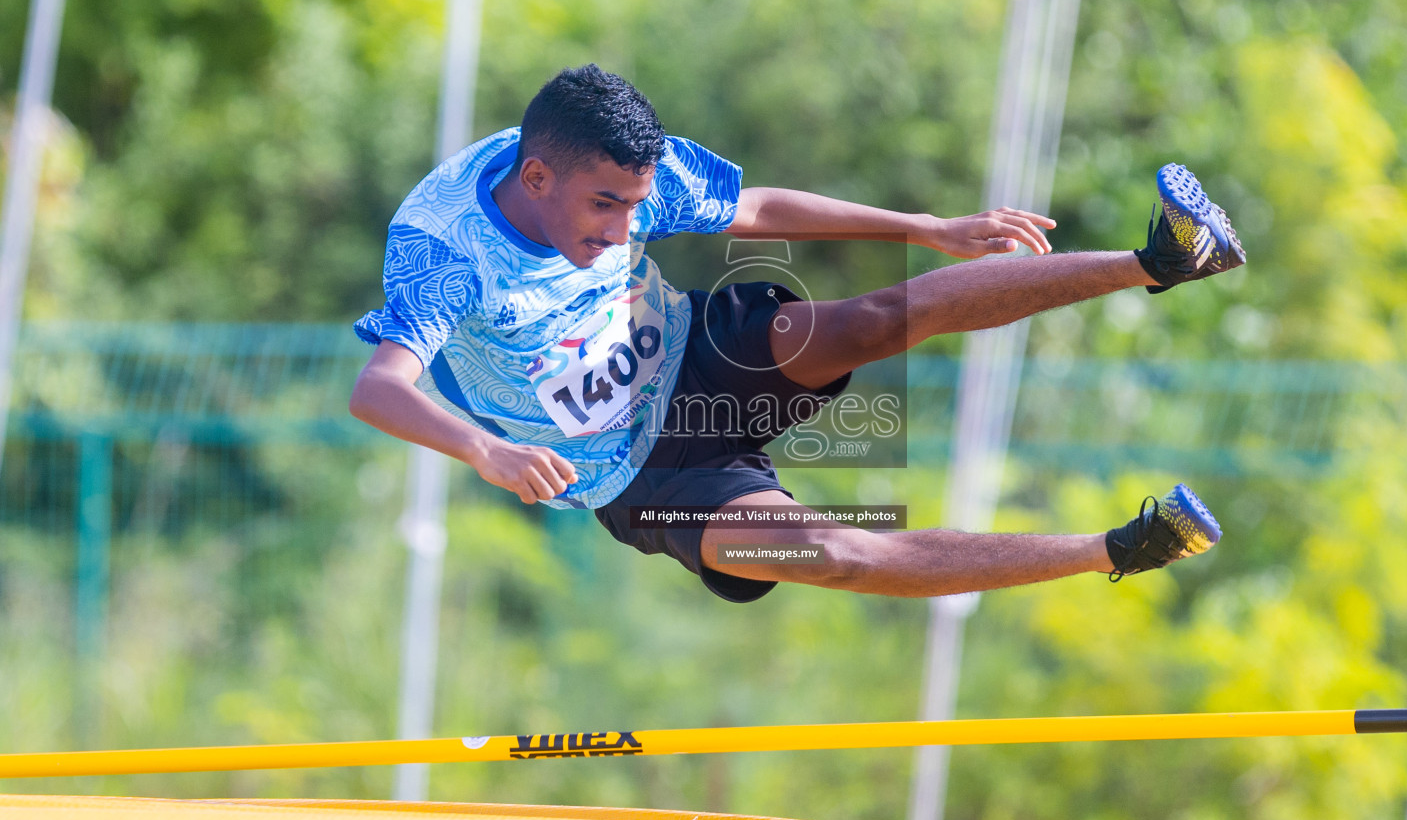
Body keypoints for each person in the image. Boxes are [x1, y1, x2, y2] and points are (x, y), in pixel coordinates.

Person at [351, 64, 1243, 604]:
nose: (624, 228)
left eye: (635, 204)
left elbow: (752, 207)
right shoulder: (443, 250)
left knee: (876, 319)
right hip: (641, 475)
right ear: (536, 176)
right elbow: (379, 387)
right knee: (838, 552)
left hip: (695, 350)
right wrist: (486, 453)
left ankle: (1163, 260)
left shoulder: (610, 156)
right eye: (604, 208)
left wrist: (923, 226)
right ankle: (1121, 549)